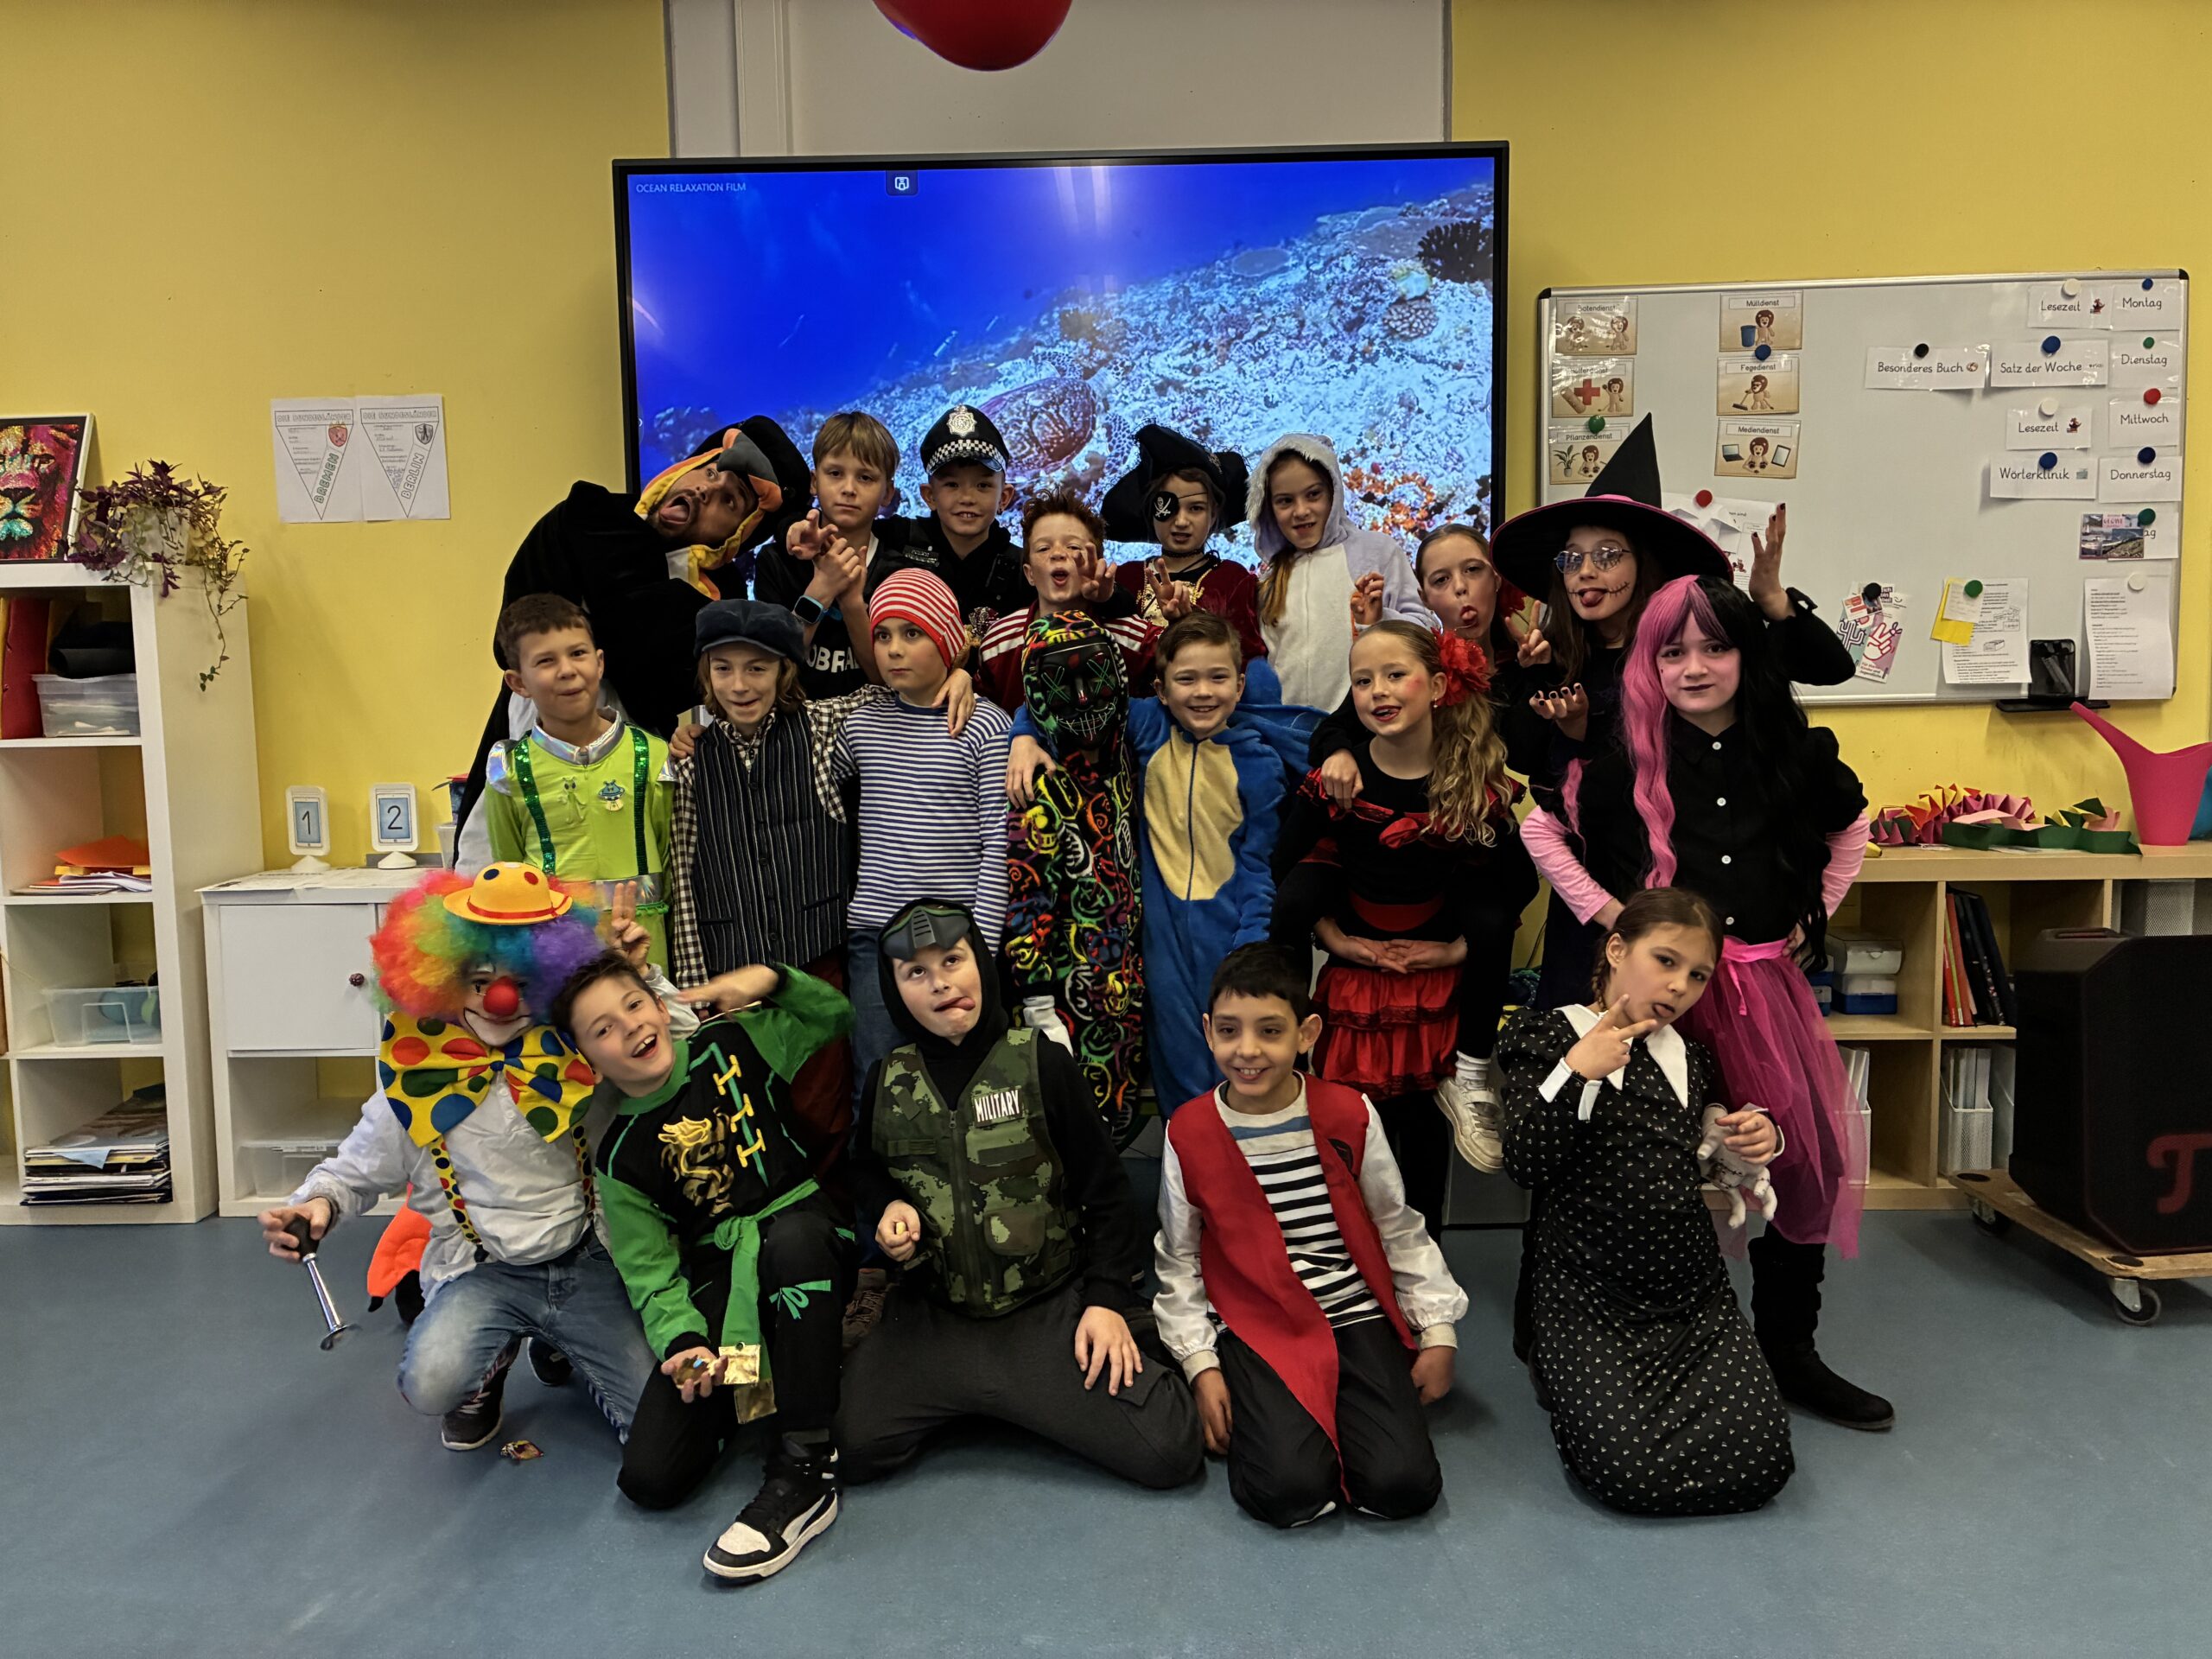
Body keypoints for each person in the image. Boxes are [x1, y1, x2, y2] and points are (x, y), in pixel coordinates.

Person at [1520, 574, 1886, 1430]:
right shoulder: (1622, 761)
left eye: (1715, 647)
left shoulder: (1792, 751)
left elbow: (1851, 830)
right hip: (1660, 1003)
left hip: (1765, 996)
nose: (1693, 667)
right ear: (1647, 664)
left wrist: (1814, 912)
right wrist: (1615, 918)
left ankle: (1788, 1350)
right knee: (1625, 1165)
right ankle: (1574, 1336)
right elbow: (1543, 829)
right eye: (1673, 651)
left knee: (1802, 1161)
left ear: (1746, 654)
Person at [257, 865, 665, 1457]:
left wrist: (638, 979)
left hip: (586, 1259)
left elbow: (668, 1056)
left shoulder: (581, 1060)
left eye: (520, 983)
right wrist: (315, 1205)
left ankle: (564, 1344)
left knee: (657, 1421)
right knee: (431, 1383)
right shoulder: (419, 1084)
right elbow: (352, 1171)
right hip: (482, 1270)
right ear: (441, 984)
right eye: (479, 982)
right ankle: (486, 1369)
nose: (500, 1000)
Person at [836, 899, 1203, 1490]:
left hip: (1045, 1309)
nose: (941, 983)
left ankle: (1021, 1386)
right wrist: (887, 1207)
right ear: (894, 990)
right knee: (850, 1448)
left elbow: (1109, 1193)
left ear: (981, 963)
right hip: (935, 1316)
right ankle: (997, 1395)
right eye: (916, 972)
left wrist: (1106, 1300)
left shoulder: (1040, 1062)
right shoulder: (888, 1079)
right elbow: (862, 1170)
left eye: (953, 960)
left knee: (1169, 1451)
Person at [1489, 414, 1853, 1007]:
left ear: (1645, 561)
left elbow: (1827, 669)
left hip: (1692, 885)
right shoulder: (1553, 658)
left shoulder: (1685, 650)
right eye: (1572, 559)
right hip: (1601, 893)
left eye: (1607, 555)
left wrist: (1773, 602)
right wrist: (1557, 710)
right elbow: (1538, 778)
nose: (1587, 572)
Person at [557, 949, 855, 1581]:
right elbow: (649, 1272)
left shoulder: (734, 1043)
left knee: (792, 1245)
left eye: (634, 1005)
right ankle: (766, 1383)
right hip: (729, 1285)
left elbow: (833, 1016)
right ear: (588, 1059)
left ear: (659, 1004)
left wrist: (772, 979)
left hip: (806, 1239)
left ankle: (806, 1468)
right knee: (652, 1476)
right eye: (604, 1029)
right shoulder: (618, 1158)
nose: (631, 1027)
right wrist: (684, 1343)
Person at [1498, 887, 1795, 1516]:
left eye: (1698, 975)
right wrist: (1577, 1072)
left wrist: (1757, 1138)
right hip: (1587, 1298)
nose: (1680, 986)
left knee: (1765, 1464)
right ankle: (1558, 1374)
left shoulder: (1691, 1056)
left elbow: (1720, 1145)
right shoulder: (1545, 1034)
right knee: (1630, 1479)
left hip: (1691, 1298)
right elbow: (1524, 1162)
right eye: (1665, 961)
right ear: (1615, 949)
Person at [1154, 944, 1464, 1529]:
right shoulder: (1188, 1131)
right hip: (1258, 1321)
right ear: (1208, 1031)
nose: (1247, 1050)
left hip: (1352, 1311)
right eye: (1229, 1031)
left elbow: (1397, 1225)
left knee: (1402, 1487)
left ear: (1306, 1033)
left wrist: (1438, 1330)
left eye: (1270, 1031)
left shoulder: (1349, 1113)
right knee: (1288, 1492)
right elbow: (1180, 1256)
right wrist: (1201, 1364)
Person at [1008, 611, 1319, 1115]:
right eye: (1187, 679)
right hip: (1159, 943)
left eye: (1218, 677)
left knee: (1245, 1071)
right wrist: (1023, 734)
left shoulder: (1259, 762)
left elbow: (1259, 865)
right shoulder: (1147, 724)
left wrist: (1251, 946)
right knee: (1181, 1078)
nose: (1203, 692)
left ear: (1240, 685)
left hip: (1231, 936)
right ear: (1160, 688)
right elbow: (1062, 697)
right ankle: (1185, 1165)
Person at [1270, 620, 1525, 1228]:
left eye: (1394, 675)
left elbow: (1518, 884)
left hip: (1435, 956)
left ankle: (1470, 1079)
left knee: (1423, 1131)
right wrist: (1333, 938)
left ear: (1436, 686)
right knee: (1359, 1135)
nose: (1378, 691)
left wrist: (1456, 952)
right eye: (1362, 682)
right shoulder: (1339, 777)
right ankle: (1286, 1067)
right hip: (1358, 951)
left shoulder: (1469, 780)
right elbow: (1282, 863)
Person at [455, 417, 810, 850]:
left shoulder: (720, 600)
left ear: (738, 535)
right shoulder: (588, 514)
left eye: (730, 501)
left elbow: (660, 688)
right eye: (710, 471)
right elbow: (515, 636)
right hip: (537, 737)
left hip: (632, 765)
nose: (706, 490)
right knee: (504, 859)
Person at [665, 593, 867, 1150]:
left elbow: (894, 693)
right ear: (706, 674)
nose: (739, 685)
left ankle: (829, 1205)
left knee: (823, 1112)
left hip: (813, 964)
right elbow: (684, 873)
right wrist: (696, 988)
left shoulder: (822, 729)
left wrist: (960, 678)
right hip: (732, 975)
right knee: (750, 1112)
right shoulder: (688, 760)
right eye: (723, 669)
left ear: (785, 671)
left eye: (757, 668)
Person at [1005, 610, 1147, 1141]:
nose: (1084, 697)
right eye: (1062, 684)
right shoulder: (1040, 783)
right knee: (1072, 1133)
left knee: (1117, 1124)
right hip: (1069, 995)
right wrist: (1038, 1004)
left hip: (1125, 985)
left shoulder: (1124, 759)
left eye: (1095, 675)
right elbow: (1027, 899)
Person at [474, 594, 674, 969]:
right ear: (518, 682)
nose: (567, 670)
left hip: (645, 950)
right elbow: (510, 873)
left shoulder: (652, 756)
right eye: (546, 661)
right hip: (554, 957)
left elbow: (671, 858)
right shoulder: (510, 771)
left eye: (578, 654)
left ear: (599, 663)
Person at [1247, 433, 1430, 709]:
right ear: (1269, 508)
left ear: (1334, 492)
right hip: (1287, 728)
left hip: (1362, 724)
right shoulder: (1271, 579)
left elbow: (1426, 631)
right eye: (1285, 501)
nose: (1301, 511)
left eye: (1313, 494)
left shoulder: (1377, 551)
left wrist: (1379, 619)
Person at [752, 411, 905, 699]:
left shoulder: (898, 573)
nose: (848, 489)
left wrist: (852, 604)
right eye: (835, 473)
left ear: (887, 493)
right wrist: (822, 589)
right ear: (814, 481)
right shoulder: (776, 561)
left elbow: (890, 683)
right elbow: (770, 672)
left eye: (866, 477)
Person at [974, 491, 1170, 711]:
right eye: (1044, 548)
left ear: (1097, 564)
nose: (1058, 554)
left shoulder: (1131, 637)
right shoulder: (999, 642)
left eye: (1073, 547)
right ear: (1029, 574)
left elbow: (1190, 666)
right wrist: (960, 676)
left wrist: (1181, 619)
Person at [1100, 423, 1265, 664]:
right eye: (1168, 507)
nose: (1181, 521)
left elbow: (1247, 658)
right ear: (1151, 513)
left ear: (1214, 514)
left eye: (1196, 508)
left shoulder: (1233, 580)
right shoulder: (1126, 579)